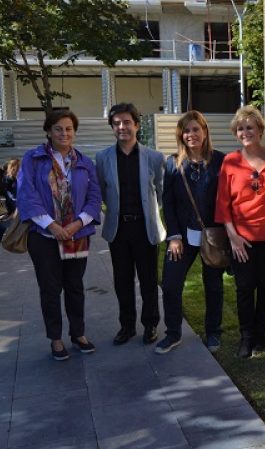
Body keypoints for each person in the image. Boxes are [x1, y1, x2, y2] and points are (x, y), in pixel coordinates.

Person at [17, 110, 102, 361]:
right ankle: (56, 338)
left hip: (77, 234)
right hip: (44, 237)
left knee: (75, 287)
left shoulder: (85, 163)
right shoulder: (33, 159)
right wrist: (52, 225)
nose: (64, 133)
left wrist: (78, 223)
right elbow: (27, 195)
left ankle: (79, 334)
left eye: (68, 129)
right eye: (58, 128)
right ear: (48, 131)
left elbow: (94, 198)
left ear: (74, 131)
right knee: (50, 289)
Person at [96, 103, 166, 346]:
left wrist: (150, 214)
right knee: (122, 281)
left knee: (148, 280)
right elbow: (102, 191)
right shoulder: (103, 157)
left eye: (126, 122)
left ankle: (150, 325)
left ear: (136, 125)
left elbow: (160, 191)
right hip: (118, 230)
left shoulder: (155, 158)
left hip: (145, 229)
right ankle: (126, 326)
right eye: (116, 123)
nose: (121, 127)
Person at [157, 111, 226, 354]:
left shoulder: (221, 161)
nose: (191, 134)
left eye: (196, 129)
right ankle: (173, 333)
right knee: (171, 284)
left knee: (214, 286)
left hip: (213, 237)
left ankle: (214, 333)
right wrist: (173, 236)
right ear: (181, 135)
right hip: (183, 237)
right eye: (186, 131)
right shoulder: (173, 163)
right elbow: (169, 202)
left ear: (205, 132)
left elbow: (226, 200)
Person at [216, 105, 265, 359]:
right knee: (244, 288)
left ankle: (260, 334)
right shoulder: (230, 162)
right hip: (241, 240)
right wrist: (233, 237)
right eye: (240, 128)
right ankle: (246, 336)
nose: (245, 132)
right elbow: (222, 203)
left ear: (260, 129)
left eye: (250, 127)